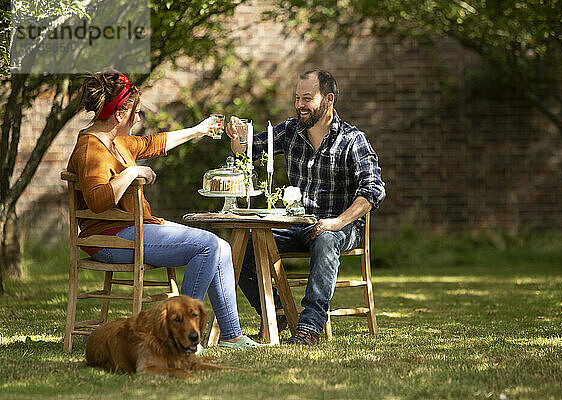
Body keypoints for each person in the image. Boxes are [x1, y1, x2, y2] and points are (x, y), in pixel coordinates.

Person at [67, 68, 262, 349]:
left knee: (221, 246)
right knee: (206, 246)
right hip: (108, 239)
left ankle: (232, 336)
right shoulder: (91, 148)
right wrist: (132, 173)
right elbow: (98, 200)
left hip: (134, 230)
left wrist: (198, 130)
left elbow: (153, 143)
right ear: (120, 114)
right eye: (136, 111)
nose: (139, 118)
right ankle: (177, 338)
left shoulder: (116, 142)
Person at [226, 69, 386, 345]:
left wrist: (337, 222)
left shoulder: (352, 139)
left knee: (325, 239)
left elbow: (374, 191)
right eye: (297, 98)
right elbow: (246, 149)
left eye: (307, 98)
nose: (300, 105)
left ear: (328, 100)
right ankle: (277, 313)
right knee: (241, 247)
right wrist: (238, 135)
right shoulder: (290, 131)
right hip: (295, 224)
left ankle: (309, 328)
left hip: (338, 228)